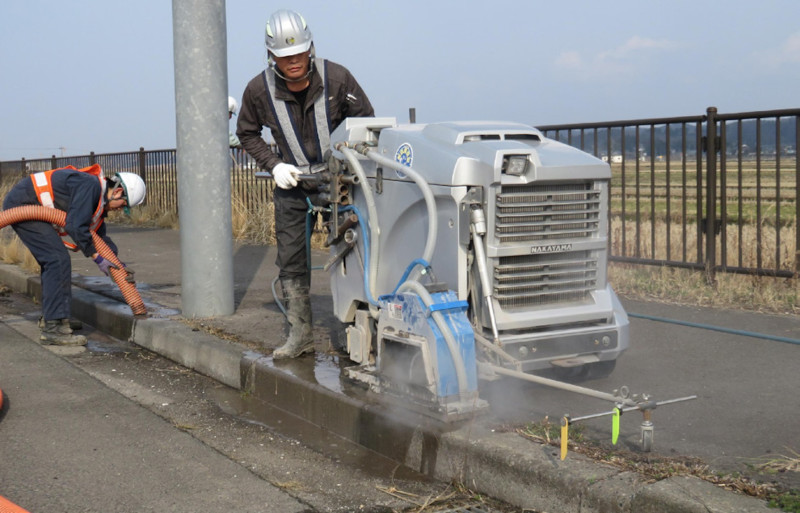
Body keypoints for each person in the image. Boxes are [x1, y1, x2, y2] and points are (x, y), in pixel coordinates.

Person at [236, 9, 374, 359]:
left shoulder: (338, 79)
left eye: (298, 54)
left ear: (310, 49)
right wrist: (273, 164)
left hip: (339, 181)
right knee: (291, 260)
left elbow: (368, 125)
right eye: (284, 57)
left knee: (354, 252)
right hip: (292, 185)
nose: (293, 62)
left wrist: (348, 160)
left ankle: (356, 333)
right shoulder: (258, 91)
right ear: (272, 56)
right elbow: (246, 132)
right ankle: (301, 336)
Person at [2, 165, 146, 346]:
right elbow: (76, 226)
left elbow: (99, 238)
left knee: (54, 260)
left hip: (31, 204)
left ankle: (55, 318)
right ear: (117, 192)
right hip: (24, 204)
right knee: (57, 259)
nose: (120, 210)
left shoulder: (97, 201)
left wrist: (118, 265)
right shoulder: (89, 186)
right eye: (123, 205)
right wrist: (96, 257)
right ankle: (54, 328)